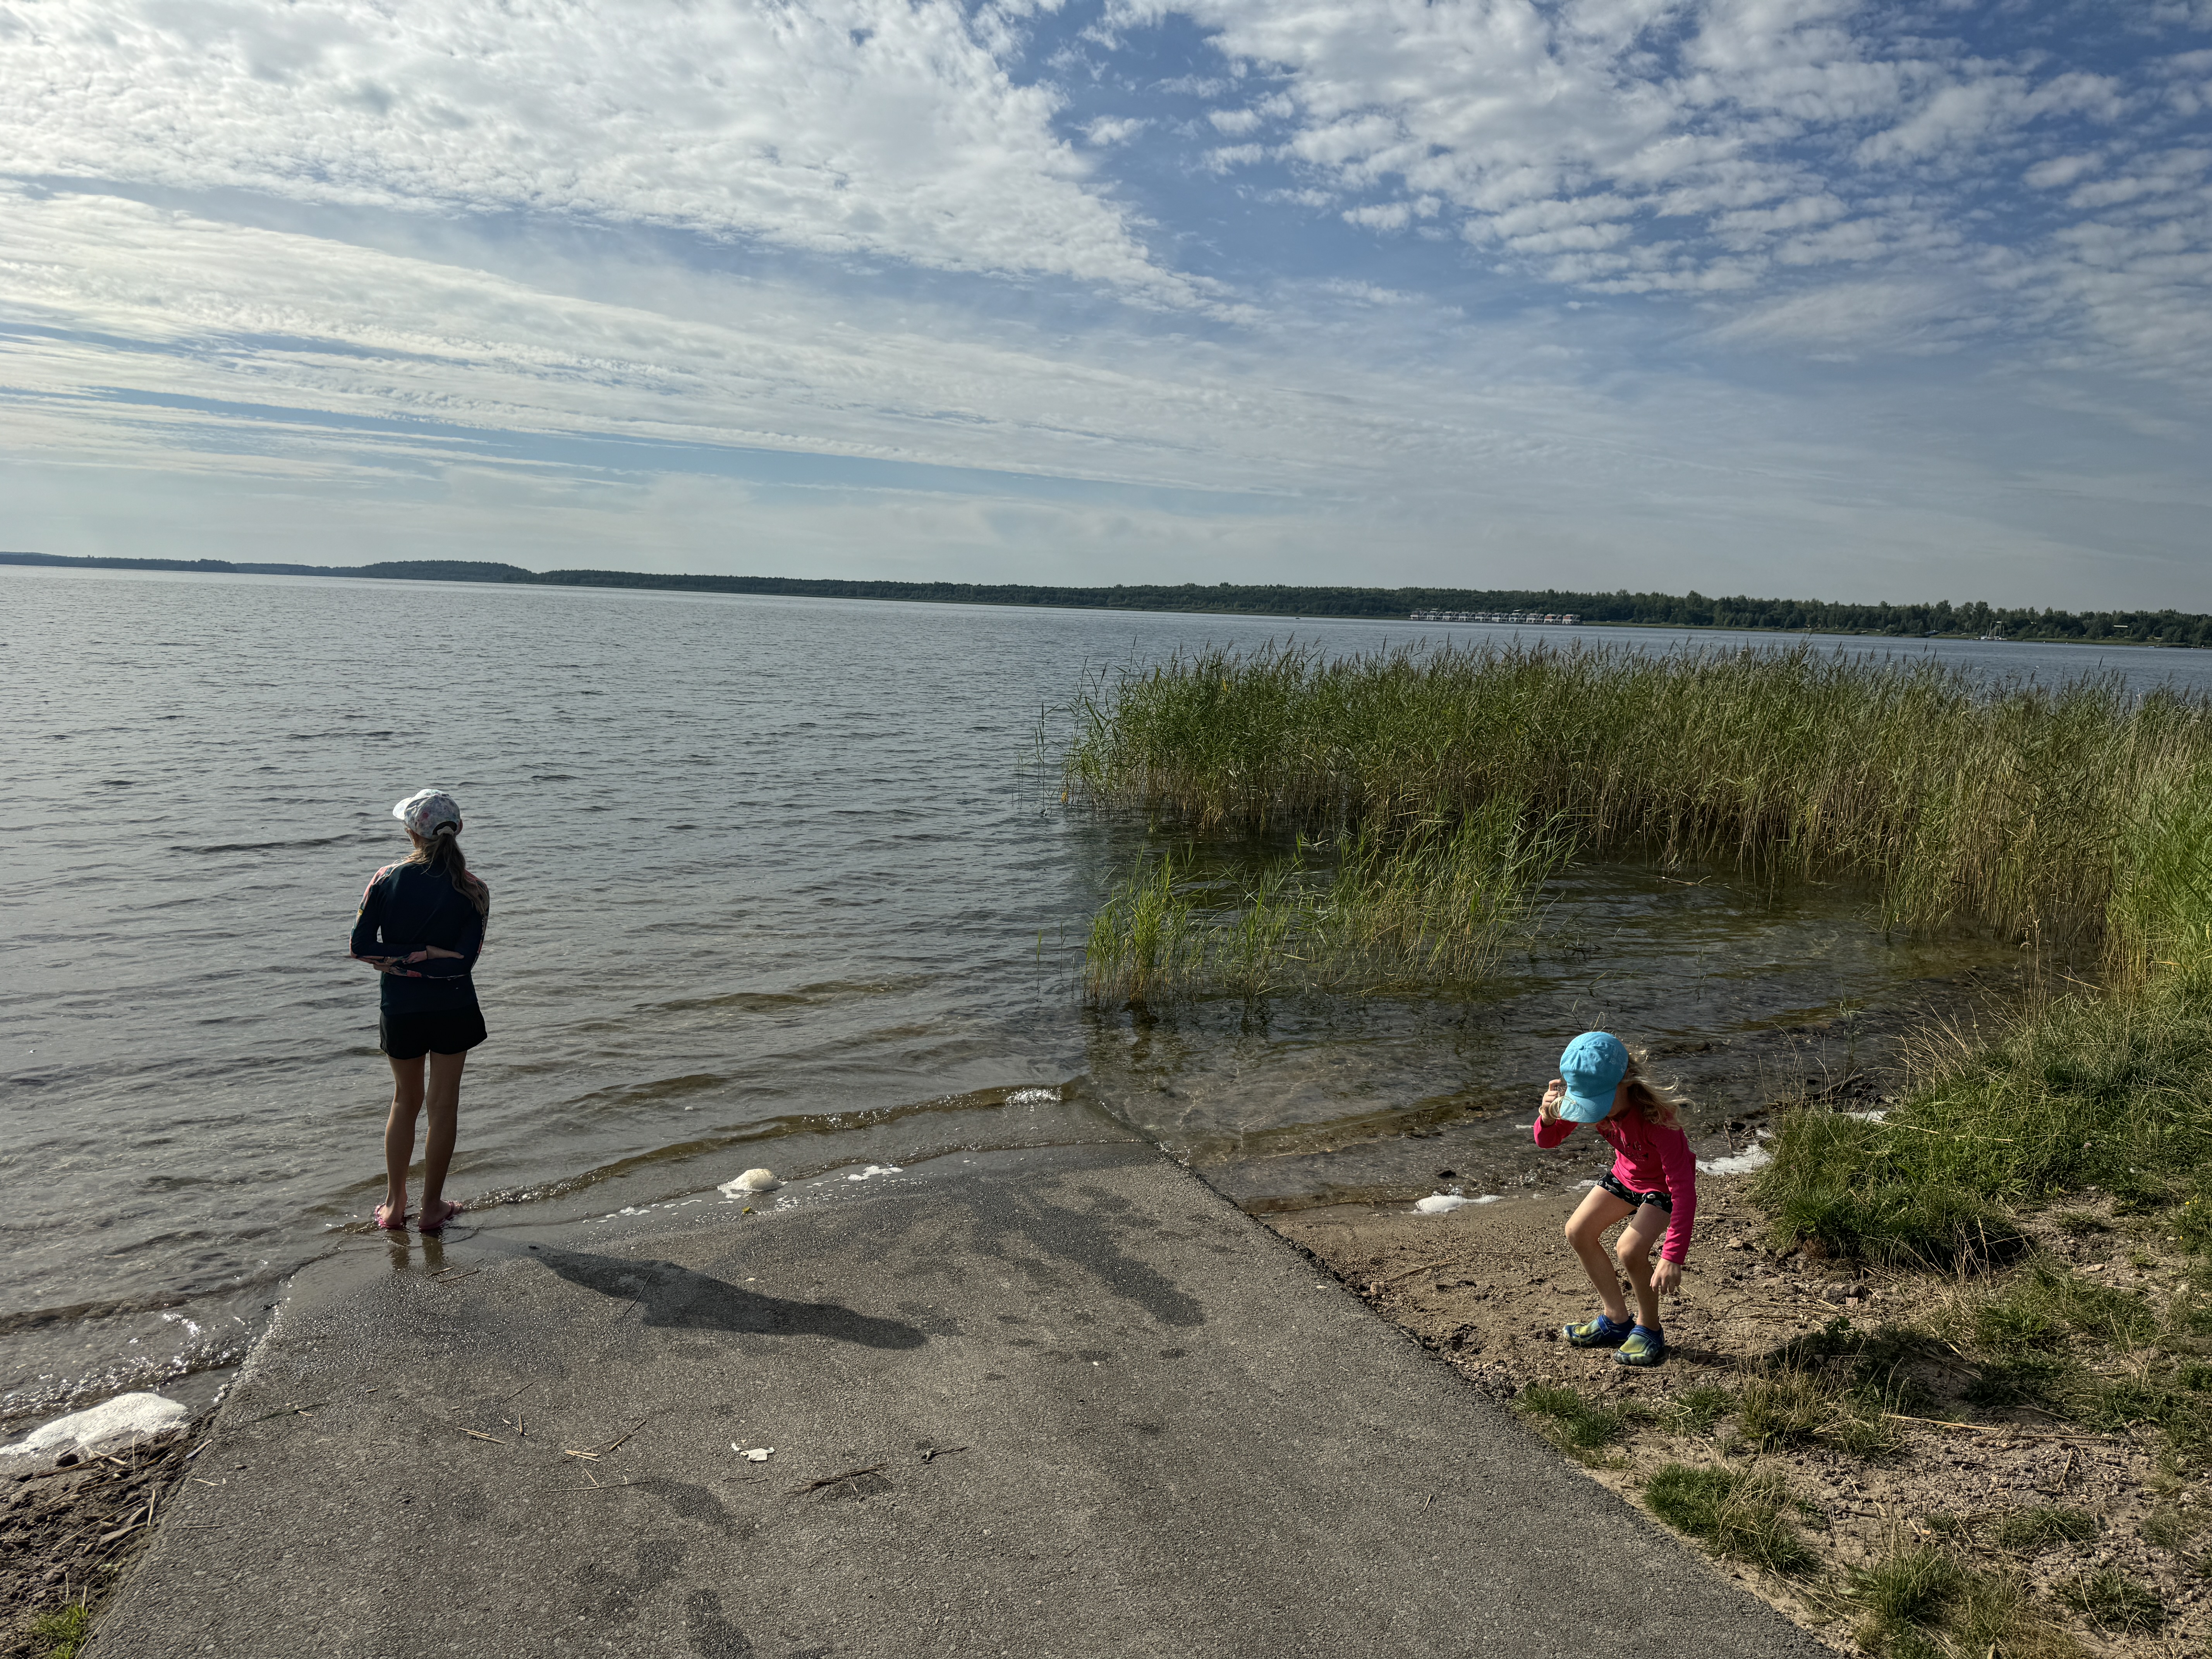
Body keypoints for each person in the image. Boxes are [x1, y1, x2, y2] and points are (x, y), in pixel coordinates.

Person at [350, 788, 490, 1234]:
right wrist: (431, 953)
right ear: (459, 830)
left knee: (404, 1101)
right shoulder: (474, 889)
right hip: (454, 1005)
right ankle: (432, 1207)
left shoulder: (386, 878)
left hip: (402, 1006)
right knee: (443, 1106)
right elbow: (465, 961)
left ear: (411, 832)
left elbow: (360, 947)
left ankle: (394, 1206)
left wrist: (405, 955)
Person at [1533, 1030, 1698, 1368]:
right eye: (1584, 1100)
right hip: (1626, 1176)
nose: (1589, 1112)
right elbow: (1547, 1142)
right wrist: (1548, 1119)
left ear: (1625, 1082)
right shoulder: (1594, 1105)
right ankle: (1617, 1319)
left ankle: (1649, 1328)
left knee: (1629, 1249)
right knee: (1578, 1231)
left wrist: (1672, 1256)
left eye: (1597, 1100)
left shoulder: (1659, 1121)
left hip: (1662, 1188)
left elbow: (1684, 1191)